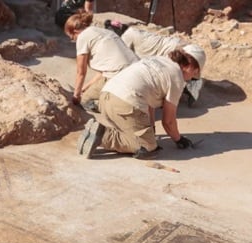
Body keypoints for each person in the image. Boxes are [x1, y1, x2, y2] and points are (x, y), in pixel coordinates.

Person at [77, 44, 205, 160]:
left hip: (106, 97)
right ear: (191, 66)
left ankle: (99, 132)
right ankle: (103, 136)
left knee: (141, 135)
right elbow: (168, 121)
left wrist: (150, 129)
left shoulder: (159, 60)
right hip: (125, 103)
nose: (191, 78)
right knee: (148, 148)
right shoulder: (177, 76)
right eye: (194, 74)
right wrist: (179, 139)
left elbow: (149, 102)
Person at [105, 19, 206, 107]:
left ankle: (190, 84)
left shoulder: (126, 37)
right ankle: (192, 80)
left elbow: (123, 59)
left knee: (170, 73)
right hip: (175, 44)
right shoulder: (133, 31)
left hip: (169, 49)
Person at [64, 12, 138, 108]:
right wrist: (84, 88)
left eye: (72, 38)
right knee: (89, 92)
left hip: (120, 76)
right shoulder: (103, 31)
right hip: (137, 69)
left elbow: (81, 72)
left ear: (74, 31)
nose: (73, 40)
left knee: (85, 100)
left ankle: (114, 105)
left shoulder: (82, 37)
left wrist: (76, 95)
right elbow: (102, 73)